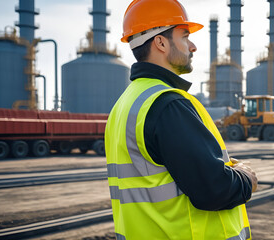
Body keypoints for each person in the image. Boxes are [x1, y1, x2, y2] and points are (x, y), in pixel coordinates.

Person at [105, 0, 258, 239]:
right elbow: (214, 190)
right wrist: (246, 177)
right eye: (185, 36)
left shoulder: (124, 104)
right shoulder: (168, 104)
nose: (193, 46)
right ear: (161, 42)